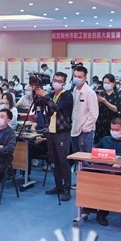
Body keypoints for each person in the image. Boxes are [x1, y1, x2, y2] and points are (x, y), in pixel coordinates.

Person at [35, 71, 73, 201]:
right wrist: (38, 94)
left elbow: (56, 107)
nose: (56, 83)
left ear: (64, 83)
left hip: (62, 131)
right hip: (51, 130)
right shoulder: (51, 94)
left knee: (63, 160)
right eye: (55, 80)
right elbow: (39, 105)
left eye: (59, 81)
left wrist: (45, 96)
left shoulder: (67, 95)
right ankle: (58, 186)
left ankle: (67, 189)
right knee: (54, 160)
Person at [95, 74, 119, 141]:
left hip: (111, 121)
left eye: (108, 83)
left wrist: (105, 101)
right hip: (100, 121)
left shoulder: (117, 95)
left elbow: (116, 109)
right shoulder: (101, 94)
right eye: (104, 83)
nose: (106, 84)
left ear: (113, 83)